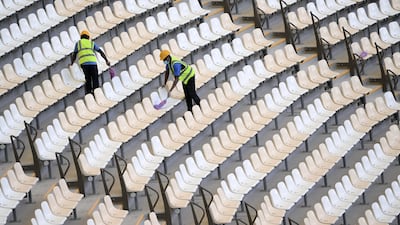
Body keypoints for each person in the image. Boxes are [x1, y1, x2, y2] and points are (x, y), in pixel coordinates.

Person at [70, 30, 110, 95]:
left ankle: (89, 94)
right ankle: (96, 93)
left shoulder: (78, 43)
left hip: (84, 64)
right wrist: (106, 61)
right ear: (88, 37)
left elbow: (74, 54)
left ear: (81, 37)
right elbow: (100, 52)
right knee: (95, 79)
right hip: (93, 63)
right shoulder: (91, 43)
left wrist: (72, 63)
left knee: (88, 79)